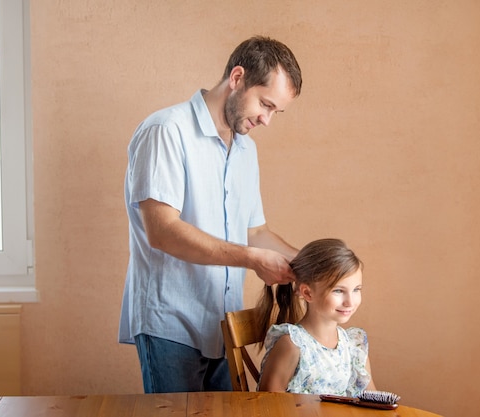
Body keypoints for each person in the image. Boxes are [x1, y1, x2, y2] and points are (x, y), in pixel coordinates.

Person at [118, 36, 303, 394]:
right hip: (169, 323)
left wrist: (308, 265)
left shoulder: (245, 151)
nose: (267, 120)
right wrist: (252, 260)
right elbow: (162, 232)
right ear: (237, 77)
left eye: (275, 112)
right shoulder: (166, 131)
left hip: (221, 328)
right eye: (265, 104)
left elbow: (255, 231)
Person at [256, 238, 377, 395]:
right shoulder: (293, 345)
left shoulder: (353, 346)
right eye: (338, 291)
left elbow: (373, 399)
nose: (350, 302)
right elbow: (270, 405)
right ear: (307, 293)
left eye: (356, 289)